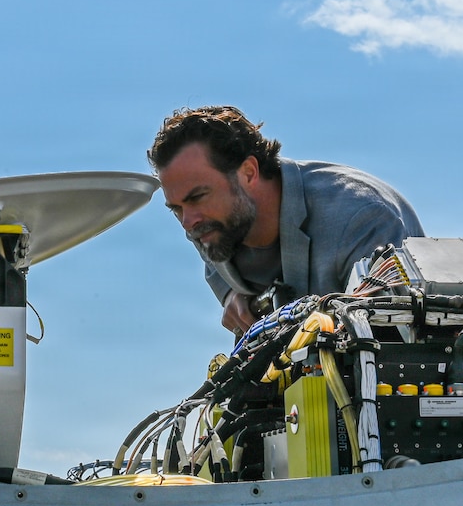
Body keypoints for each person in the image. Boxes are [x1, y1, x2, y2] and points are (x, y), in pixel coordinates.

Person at [148, 105, 424, 334]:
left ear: (247, 173)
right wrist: (230, 295)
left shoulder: (361, 218)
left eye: (198, 197)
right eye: (176, 208)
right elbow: (214, 261)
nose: (188, 222)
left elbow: (394, 349)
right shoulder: (208, 223)